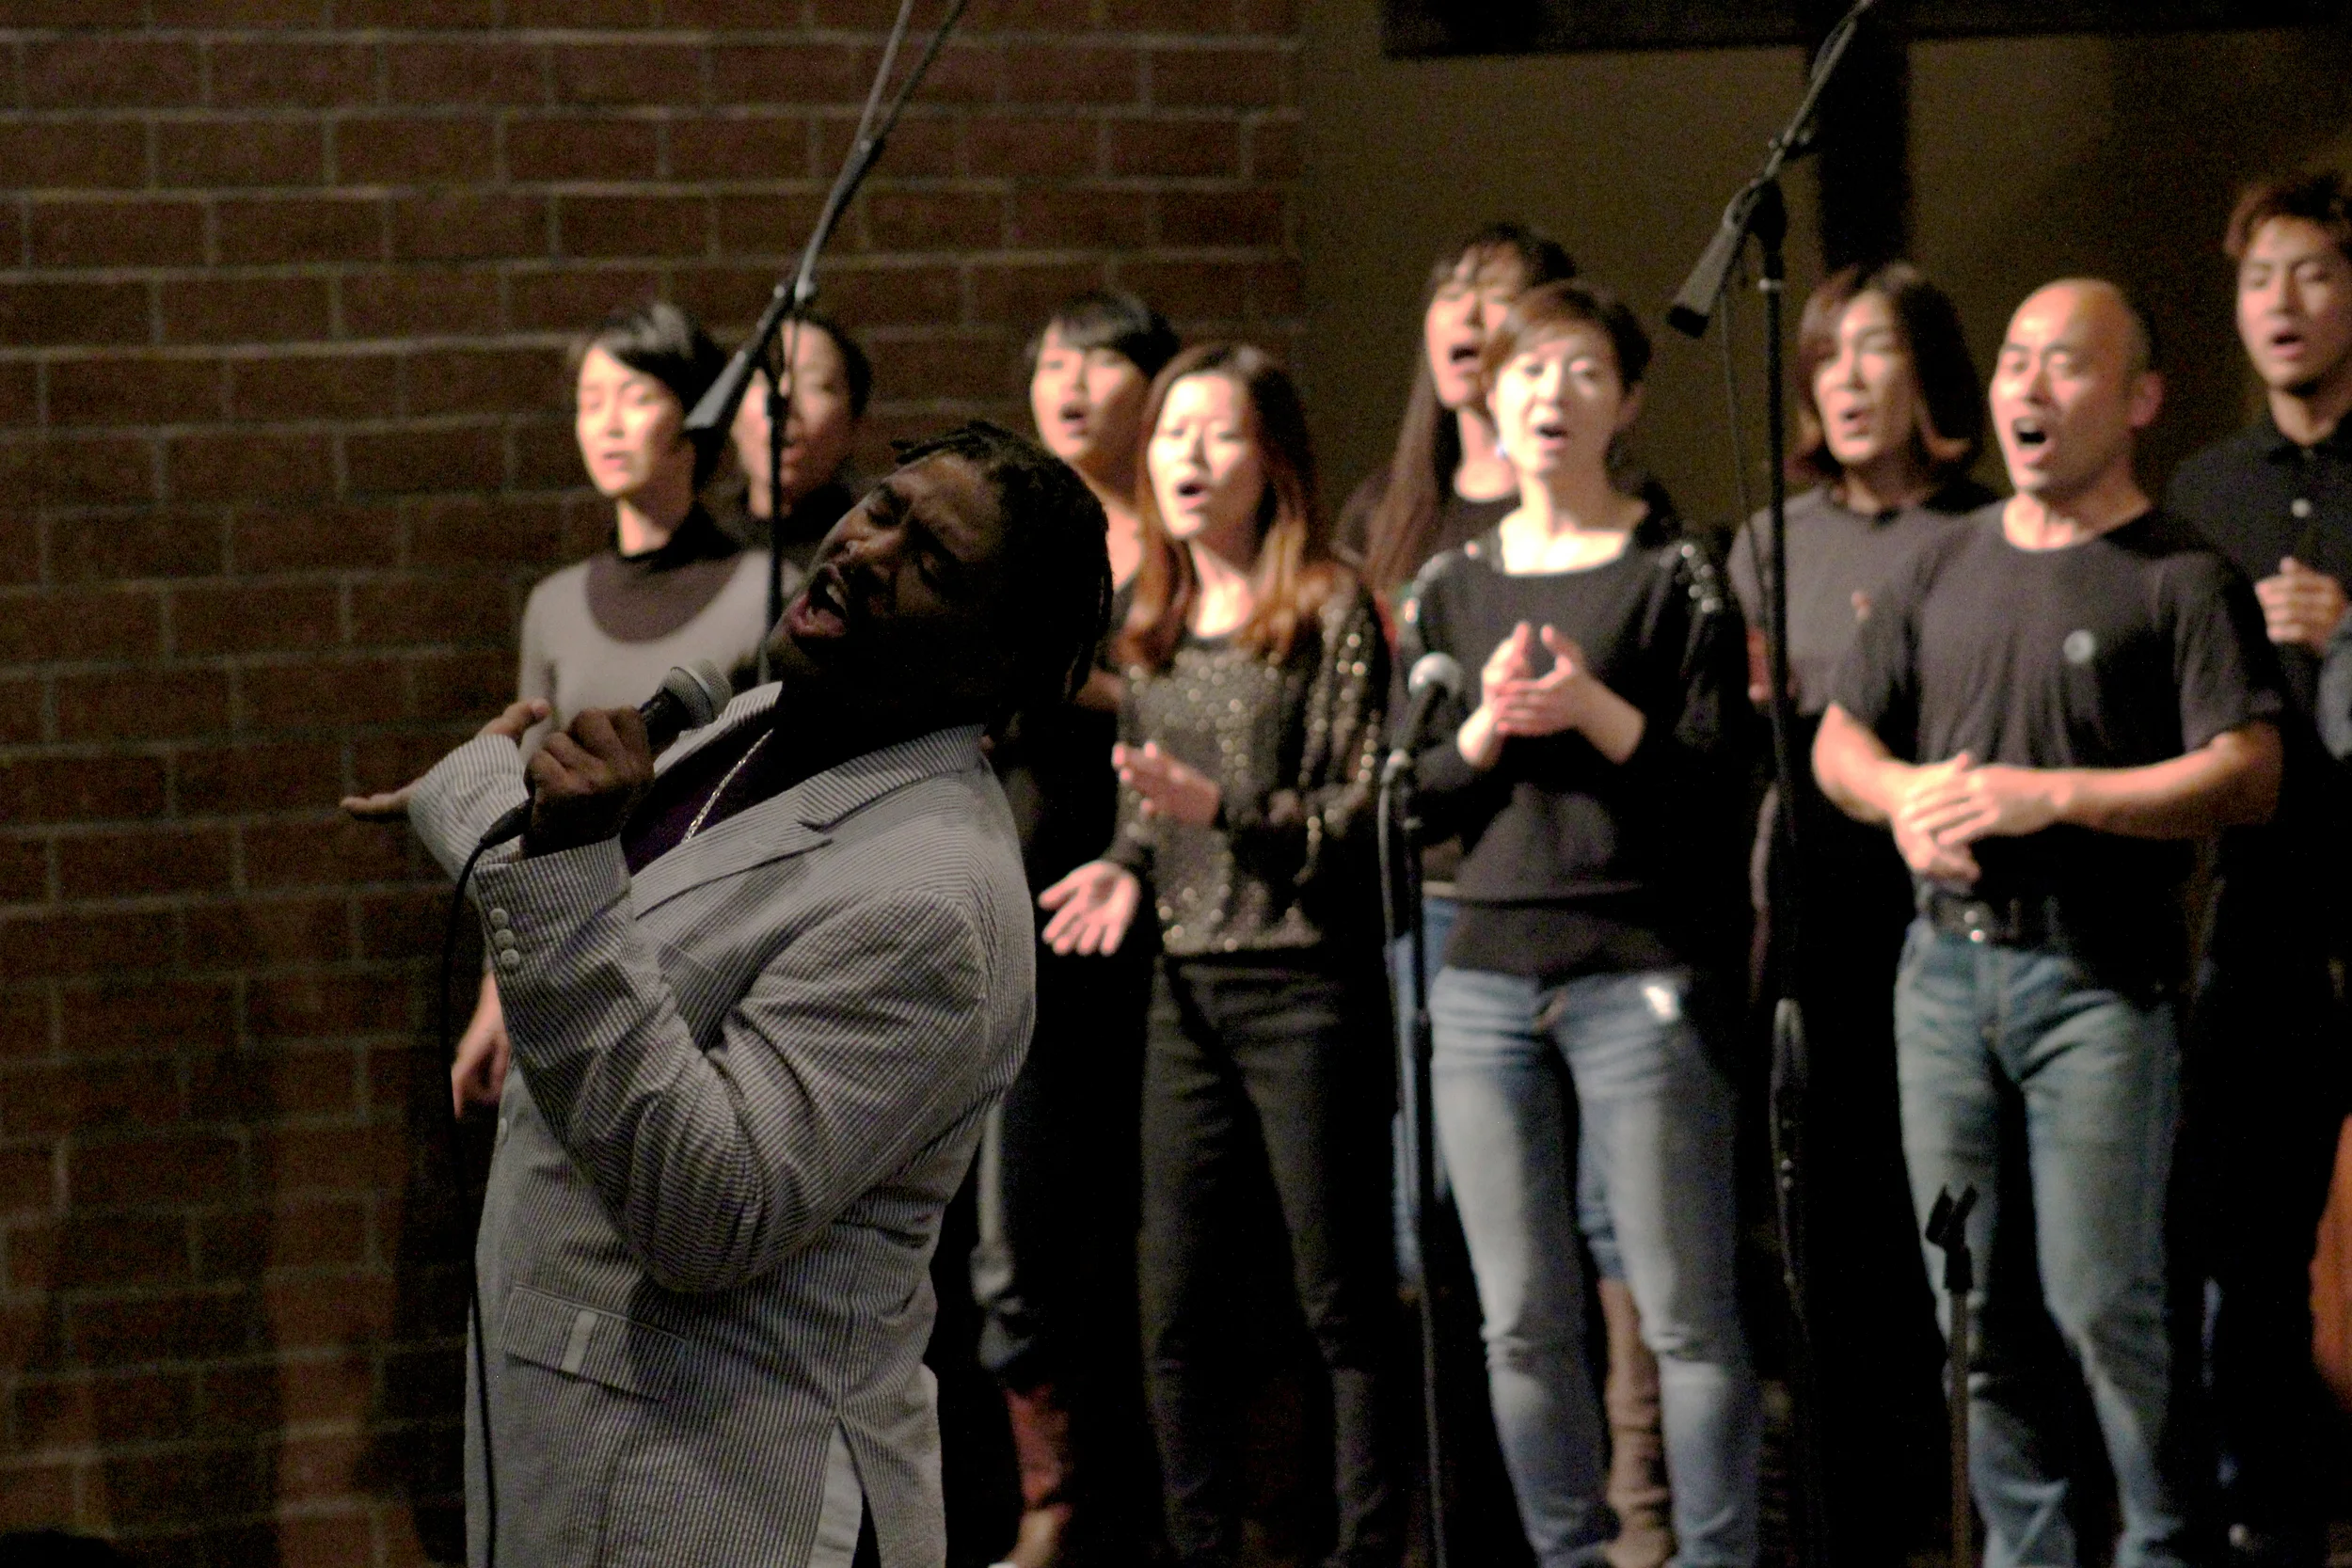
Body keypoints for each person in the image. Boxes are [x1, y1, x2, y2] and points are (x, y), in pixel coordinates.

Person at [346, 420, 1114, 1568]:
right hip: (584, 1437)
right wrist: (479, 804)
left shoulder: (938, 901)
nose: (865, 548)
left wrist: (554, 862)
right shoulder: (762, 721)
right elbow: (601, 920)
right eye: (885, 507)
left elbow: (708, 1207)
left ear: (997, 665)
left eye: (933, 562)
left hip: (724, 1490)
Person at [1814, 278, 2288, 1568]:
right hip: (1940, 973)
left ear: (2135, 400)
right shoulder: (1942, 558)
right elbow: (1842, 736)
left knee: (2103, 1301)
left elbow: (2248, 769)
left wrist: (2054, 794)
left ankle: (2161, 1542)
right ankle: (2029, 1552)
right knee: (1970, 1305)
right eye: (2015, 359)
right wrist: (1902, 792)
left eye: (2064, 364)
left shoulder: (2180, 574)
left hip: (2100, 981)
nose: (2027, 385)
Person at [1399, 279, 1760, 1568]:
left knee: (1685, 1314)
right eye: (1528, 370)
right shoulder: (1449, 584)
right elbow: (1411, 795)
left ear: (1627, 400)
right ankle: (1564, 1553)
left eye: (1584, 371)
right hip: (1487, 974)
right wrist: (1491, 726)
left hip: (1639, 971)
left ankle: (1714, 1553)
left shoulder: (1678, 574)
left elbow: (1726, 785)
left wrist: (1599, 713)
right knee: (1518, 1318)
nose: (1553, 393)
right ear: (1488, 396)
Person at [1037, 343, 1400, 1568]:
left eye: (1221, 434)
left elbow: (1357, 818)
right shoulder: (1162, 621)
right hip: (1184, 988)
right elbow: (1154, 807)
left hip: (1305, 983)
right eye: (1175, 435)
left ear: (1276, 460)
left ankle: (1362, 1546)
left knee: (1338, 1300)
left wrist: (1221, 813)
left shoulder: (1333, 613)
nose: (1190, 458)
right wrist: (1125, 863)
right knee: (1173, 1307)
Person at [1725, 261, 1992, 1561]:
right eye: (1824, 355)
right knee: (1828, 1243)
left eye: (1873, 351)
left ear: (1932, 370)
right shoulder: (1769, 542)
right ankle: (1856, 1527)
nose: (1843, 379)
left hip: (1947, 909)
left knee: (1949, 1231)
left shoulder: (1991, 527)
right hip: (1811, 919)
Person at [450, 300, 777, 1119]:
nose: (607, 423)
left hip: (714, 956)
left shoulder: (764, 590)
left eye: (634, 396)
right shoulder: (555, 605)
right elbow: (530, 814)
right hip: (573, 946)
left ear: (695, 414)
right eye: (590, 401)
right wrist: (496, 997)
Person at [972, 290, 1180, 1568]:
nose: (1069, 379)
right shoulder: (1018, 529)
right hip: (1019, 907)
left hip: (1161, 907)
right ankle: (1051, 1492)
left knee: (1151, 1221)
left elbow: (1208, 690)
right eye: (1051, 355)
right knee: (1016, 1230)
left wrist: (1082, 681)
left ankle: (1169, 1492)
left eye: (1099, 357)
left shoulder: (1191, 541)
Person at [2163, 167, 2352, 1568]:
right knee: (2249, 1249)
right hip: (2266, 909)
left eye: (2314, 274)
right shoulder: (2205, 488)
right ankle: (2272, 1518)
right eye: (2258, 279)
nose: (2283, 305)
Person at [725, 309, 872, 580]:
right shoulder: (708, 560)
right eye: (765, 377)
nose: (783, 397)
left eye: (816, 384)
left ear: (854, 423)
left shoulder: (871, 562)